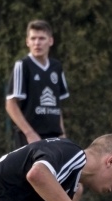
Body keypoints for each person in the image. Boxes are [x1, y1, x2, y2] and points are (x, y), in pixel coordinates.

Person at [6, 20, 69, 149]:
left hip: (53, 137)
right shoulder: (23, 66)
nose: (37, 43)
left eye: (41, 38)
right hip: (30, 138)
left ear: (50, 41)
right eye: (33, 38)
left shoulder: (56, 67)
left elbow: (57, 106)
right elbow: (11, 104)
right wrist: (30, 133)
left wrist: (62, 134)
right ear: (27, 42)